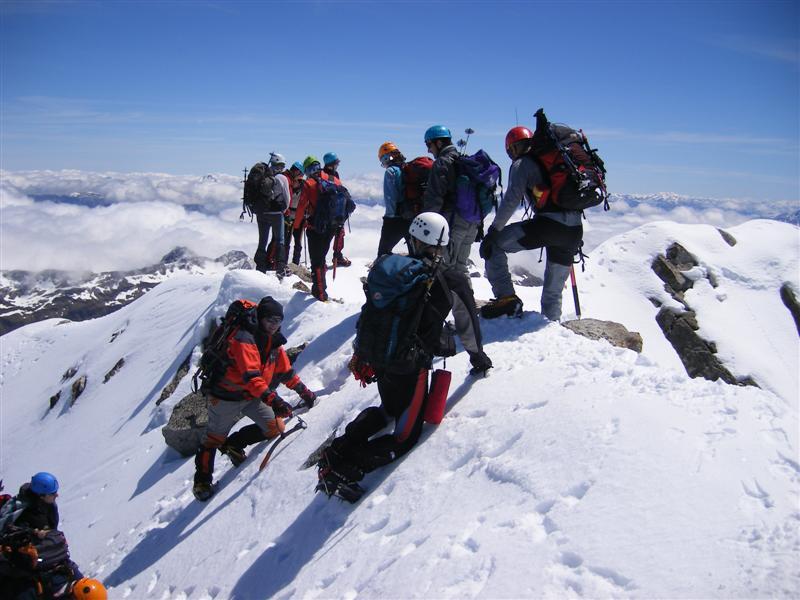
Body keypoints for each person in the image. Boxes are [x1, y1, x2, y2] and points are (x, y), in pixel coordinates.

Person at [317, 212, 454, 498]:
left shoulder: (390, 268)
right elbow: (432, 327)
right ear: (439, 244)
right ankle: (349, 467)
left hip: (378, 356)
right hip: (409, 366)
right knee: (405, 437)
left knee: (389, 409)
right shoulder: (432, 278)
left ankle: (338, 450)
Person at [193, 297, 317, 501]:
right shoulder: (244, 338)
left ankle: (233, 444)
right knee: (213, 439)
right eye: (270, 320)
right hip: (226, 396)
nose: (273, 325)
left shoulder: (274, 342)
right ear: (259, 318)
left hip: (252, 396)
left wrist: (305, 392)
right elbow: (251, 376)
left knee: (275, 428)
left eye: (277, 321)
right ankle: (202, 482)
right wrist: (274, 400)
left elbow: (285, 372)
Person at [479, 126, 584, 321]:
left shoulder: (522, 164)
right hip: (574, 231)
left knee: (494, 247)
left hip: (549, 226)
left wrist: (493, 231)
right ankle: (551, 326)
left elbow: (511, 199)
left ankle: (507, 300)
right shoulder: (555, 160)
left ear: (511, 148)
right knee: (553, 293)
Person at [421, 125, 493, 375]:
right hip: (471, 224)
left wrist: (425, 233)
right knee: (459, 274)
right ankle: (473, 335)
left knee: (442, 277)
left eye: (429, 145)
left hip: (452, 226)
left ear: (437, 143)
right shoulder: (463, 160)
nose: (428, 150)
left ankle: (443, 336)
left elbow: (433, 201)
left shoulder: (442, 163)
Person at [0, 473, 106, 599]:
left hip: (44, 557)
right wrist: (32, 533)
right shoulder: (23, 512)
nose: (56, 495)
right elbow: (10, 534)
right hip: (23, 560)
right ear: (41, 495)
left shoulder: (48, 507)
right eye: (52, 493)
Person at [294, 156, 346, 301]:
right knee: (321, 257)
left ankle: (320, 292)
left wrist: (297, 226)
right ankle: (320, 287)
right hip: (332, 227)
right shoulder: (334, 180)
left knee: (316, 260)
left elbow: (302, 206)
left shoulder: (309, 183)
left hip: (315, 226)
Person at [253, 153, 291, 276]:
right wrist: (283, 210)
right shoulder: (282, 178)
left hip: (261, 212)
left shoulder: (263, 176)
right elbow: (287, 198)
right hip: (276, 213)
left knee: (262, 241)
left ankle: (260, 268)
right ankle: (280, 268)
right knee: (280, 240)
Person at [376, 142, 413, 257]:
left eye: (382, 160)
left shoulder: (391, 171)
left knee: (383, 253)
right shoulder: (407, 168)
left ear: (387, 157)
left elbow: (390, 197)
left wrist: (389, 219)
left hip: (396, 218)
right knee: (415, 253)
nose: (384, 164)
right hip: (412, 215)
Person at [322, 152, 352, 268]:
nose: (337, 165)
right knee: (328, 237)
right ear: (331, 164)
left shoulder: (334, 174)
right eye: (336, 163)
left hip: (337, 210)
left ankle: (337, 256)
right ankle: (324, 260)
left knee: (339, 234)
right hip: (330, 212)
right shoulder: (325, 175)